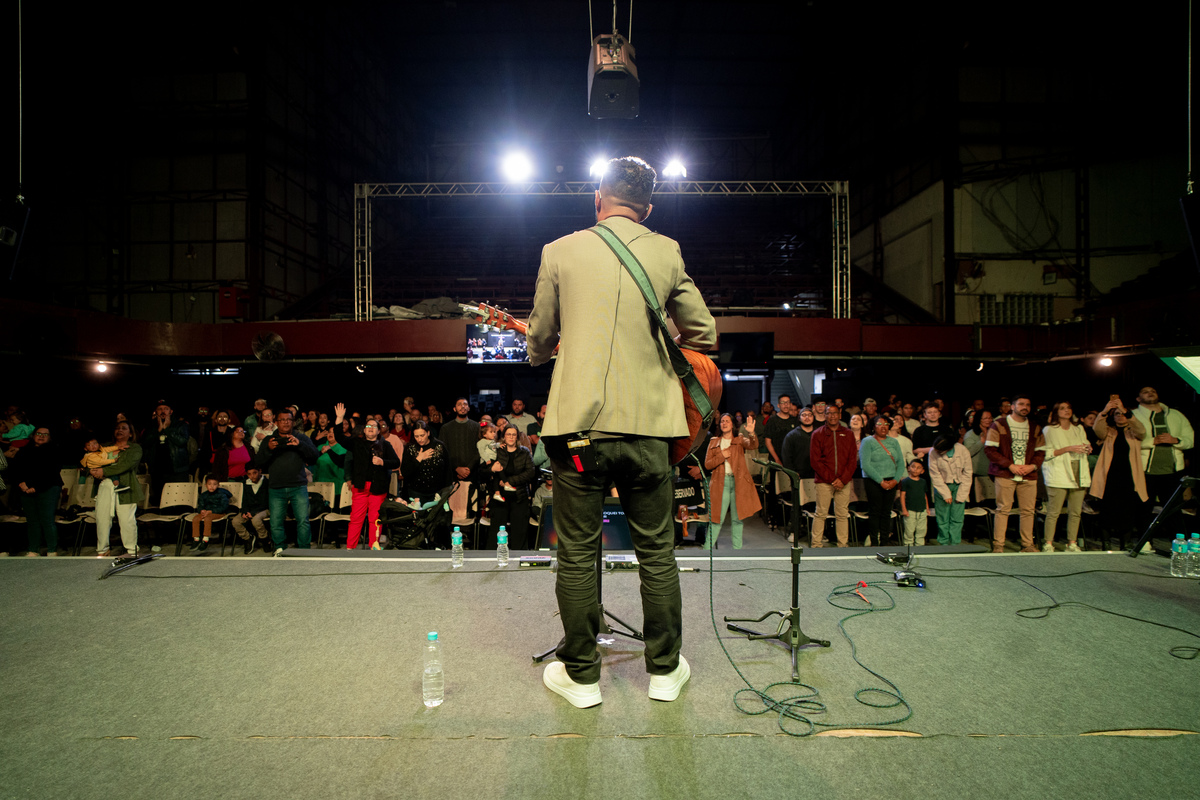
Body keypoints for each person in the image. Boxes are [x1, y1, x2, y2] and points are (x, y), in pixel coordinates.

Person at [528, 156, 716, 708]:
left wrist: (559, 345)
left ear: (597, 197)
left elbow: (539, 340)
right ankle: (663, 672)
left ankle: (582, 678)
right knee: (657, 551)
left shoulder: (559, 250)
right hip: (648, 432)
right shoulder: (667, 250)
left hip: (579, 434)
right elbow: (703, 332)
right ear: (649, 207)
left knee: (577, 553)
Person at [333, 403, 400, 550]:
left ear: (378, 430)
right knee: (356, 519)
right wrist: (339, 418)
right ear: (364, 430)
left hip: (378, 487)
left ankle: (374, 547)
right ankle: (350, 547)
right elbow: (339, 437)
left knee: (374, 519)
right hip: (361, 487)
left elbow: (396, 461)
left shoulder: (385, 444)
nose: (370, 429)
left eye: (374, 427)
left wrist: (383, 462)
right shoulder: (357, 443)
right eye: (368, 426)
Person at [985, 394, 1045, 553]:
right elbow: (990, 450)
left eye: (1028, 405)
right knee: (1003, 509)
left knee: (1028, 511)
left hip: (1028, 474)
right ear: (1012, 406)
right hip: (1006, 473)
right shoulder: (999, 425)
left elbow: (1041, 451)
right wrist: (1009, 465)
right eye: (1021, 404)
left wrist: (1032, 466)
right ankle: (999, 545)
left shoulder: (1034, 427)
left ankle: (1027, 545)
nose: (1025, 407)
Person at [253, 409, 318, 555]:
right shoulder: (269, 440)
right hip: (276, 488)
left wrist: (300, 445)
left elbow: (314, 456)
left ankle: (304, 550)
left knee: (303, 520)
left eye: (289, 419)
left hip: (298, 486)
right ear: (276, 422)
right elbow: (258, 462)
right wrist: (269, 449)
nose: (285, 422)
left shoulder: (301, 438)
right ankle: (280, 549)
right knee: (276, 522)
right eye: (282, 420)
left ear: (293, 422)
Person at [1090, 396, 1148, 548]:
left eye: (1122, 414)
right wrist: (1104, 411)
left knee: (1127, 510)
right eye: (1117, 414)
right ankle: (1106, 543)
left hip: (1129, 477)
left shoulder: (1133, 432)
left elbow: (1142, 431)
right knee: (1107, 509)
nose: (1120, 416)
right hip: (1109, 477)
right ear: (1113, 417)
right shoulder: (1109, 432)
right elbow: (1097, 429)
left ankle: (1126, 542)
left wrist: (1125, 410)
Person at [1132, 386, 1194, 519]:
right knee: (1144, 507)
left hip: (1172, 470)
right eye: (1145, 392)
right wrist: (1151, 441)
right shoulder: (1134, 415)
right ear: (1138, 398)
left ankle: (1176, 537)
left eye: (1153, 391)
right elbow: (1127, 442)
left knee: (1173, 508)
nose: (1150, 393)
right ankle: (1145, 539)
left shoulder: (1176, 415)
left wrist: (1176, 440)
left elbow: (1190, 439)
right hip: (1145, 470)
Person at [702, 413, 761, 549]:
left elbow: (753, 445)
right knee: (716, 519)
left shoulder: (739, 440)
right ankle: (707, 551)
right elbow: (707, 464)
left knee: (738, 519)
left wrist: (751, 433)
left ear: (732, 424)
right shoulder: (714, 441)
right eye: (722, 421)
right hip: (720, 483)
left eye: (727, 421)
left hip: (738, 484)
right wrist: (722, 455)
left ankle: (737, 553)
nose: (724, 423)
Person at [1039, 401, 1092, 552]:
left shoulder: (1078, 428)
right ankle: (1048, 543)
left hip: (1078, 470)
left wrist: (1087, 447)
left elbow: (1085, 443)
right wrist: (1068, 448)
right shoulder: (1049, 430)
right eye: (1062, 408)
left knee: (1075, 511)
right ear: (1056, 412)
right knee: (1054, 511)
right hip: (1059, 471)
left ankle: (1072, 543)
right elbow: (1047, 453)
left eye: (1069, 408)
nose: (1066, 411)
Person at [90, 421, 143, 558]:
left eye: (124, 428)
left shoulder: (135, 448)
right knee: (102, 518)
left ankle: (132, 551)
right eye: (117, 428)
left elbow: (124, 465)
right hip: (104, 486)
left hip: (126, 487)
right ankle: (102, 549)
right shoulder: (105, 447)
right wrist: (94, 470)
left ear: (130, 433)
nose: (120, 430)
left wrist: (103, 470)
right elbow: (93, 459)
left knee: (127, 520)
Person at [809, 404, 858, 547]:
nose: (832, 416)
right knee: (821, 513)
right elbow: (815, 461)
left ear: (840, 415)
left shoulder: (848, 434)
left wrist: (842, 479)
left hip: (844, 481)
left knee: (842, 514)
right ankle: (816, 544)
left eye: (835, 413)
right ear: (824, 415)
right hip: (824, 482)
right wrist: (832, 479)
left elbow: (852, 460)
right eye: (829, 413)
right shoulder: (817, 434)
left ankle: (842, 545)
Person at [11, 427, 63, 556]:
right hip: (25, 489)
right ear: (33, 435)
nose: (41, 436)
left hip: (48, 487)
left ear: (50, 437)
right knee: (32, 521)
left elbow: (52, 472)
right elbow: (15, 469)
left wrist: (36, 487)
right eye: (39, 433)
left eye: (45, 434)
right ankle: (33, 549)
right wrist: (21, 484)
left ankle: (52, 550)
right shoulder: (24, 451)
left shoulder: (54, 451)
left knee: (47, 520)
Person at [485, 426, 537, 549]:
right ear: (504, 436)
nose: (511, 437)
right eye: (508, 434)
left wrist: (509, 481)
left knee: (519, 532)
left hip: (519, 497)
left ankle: (518, 559)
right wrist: (492, 470)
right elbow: (484, 470)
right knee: (496, 533)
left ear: (518, 437)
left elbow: (531, 472)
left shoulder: (524, 452)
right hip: (500, 498)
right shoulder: (497, 451)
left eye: (514, 435)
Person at [858, 416, 905, 547]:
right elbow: (865, 465)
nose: (883, 426)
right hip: (874, 481)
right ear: (873, 426)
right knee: (875, 511)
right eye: (879, 424)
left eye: (886, 424)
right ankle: (874, 542)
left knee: (887, 512)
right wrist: (881, 481)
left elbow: (901, 463)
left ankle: (885, 542)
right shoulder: (867, 442)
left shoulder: (894, 442)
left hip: (892, 481)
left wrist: (895, 481)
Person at [927, 434, 973, 545]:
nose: (937, 452)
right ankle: (944, 542)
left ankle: (955, 543)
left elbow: (967, 473)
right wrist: (945, 494)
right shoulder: (932, 452)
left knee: (957, 518)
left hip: (959, 486)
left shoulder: (962, 450)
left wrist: (961, 494)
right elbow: (935, 475)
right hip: (942, 486)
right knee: (942, 518)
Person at [143, 402, 190, 505]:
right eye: (160, 409)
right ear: (156, 412)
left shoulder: (180, 425)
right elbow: (145, 443)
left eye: (166, 409)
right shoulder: (151, 426)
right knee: (159, 500)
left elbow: (182, 441)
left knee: (176, 499)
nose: (163, 411)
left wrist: (167, 429)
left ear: (171, 411)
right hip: (157, 469)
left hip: (176, 468)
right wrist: (158, 430)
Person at [231, 466, 270, 553]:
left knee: (256, 520)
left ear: (260, 471)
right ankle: (248, 538)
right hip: (250, 509)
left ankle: (265, 539)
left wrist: (253, 512)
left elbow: (267, 502)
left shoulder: (266, 483)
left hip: (264, 509)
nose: (252, 476)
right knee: (236, 521)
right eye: (249, 474)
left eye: (254, 473)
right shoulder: (246, 484)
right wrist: (245, 511)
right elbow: (244, 500)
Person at [190, 475, 232, 552]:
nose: (212, 486)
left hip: (219, 513)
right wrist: (202, 510)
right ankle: (196, 539)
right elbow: (200, 506)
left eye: (214, 484)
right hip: (206, 513)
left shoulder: (222, 494)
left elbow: (224, 507)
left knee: (207, 518)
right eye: (209, 484)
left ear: (218, 485)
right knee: (196, 518)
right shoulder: (204, 495)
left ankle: (205, 539)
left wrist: (210, 511)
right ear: (206, 485)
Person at [898, 460, 930, 546]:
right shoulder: (905, 481)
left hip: (922, 510)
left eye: (918, 468)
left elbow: (924, 495)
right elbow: (902, 496)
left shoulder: (923, 482)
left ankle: (919, 547)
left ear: (922, 471)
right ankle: (908, 547)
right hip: (910, 510)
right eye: (913, 467)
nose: (915, 470)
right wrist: (904, 509)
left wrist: (927, 508)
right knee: (909, 530)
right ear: (909, 468)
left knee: (921, 530)